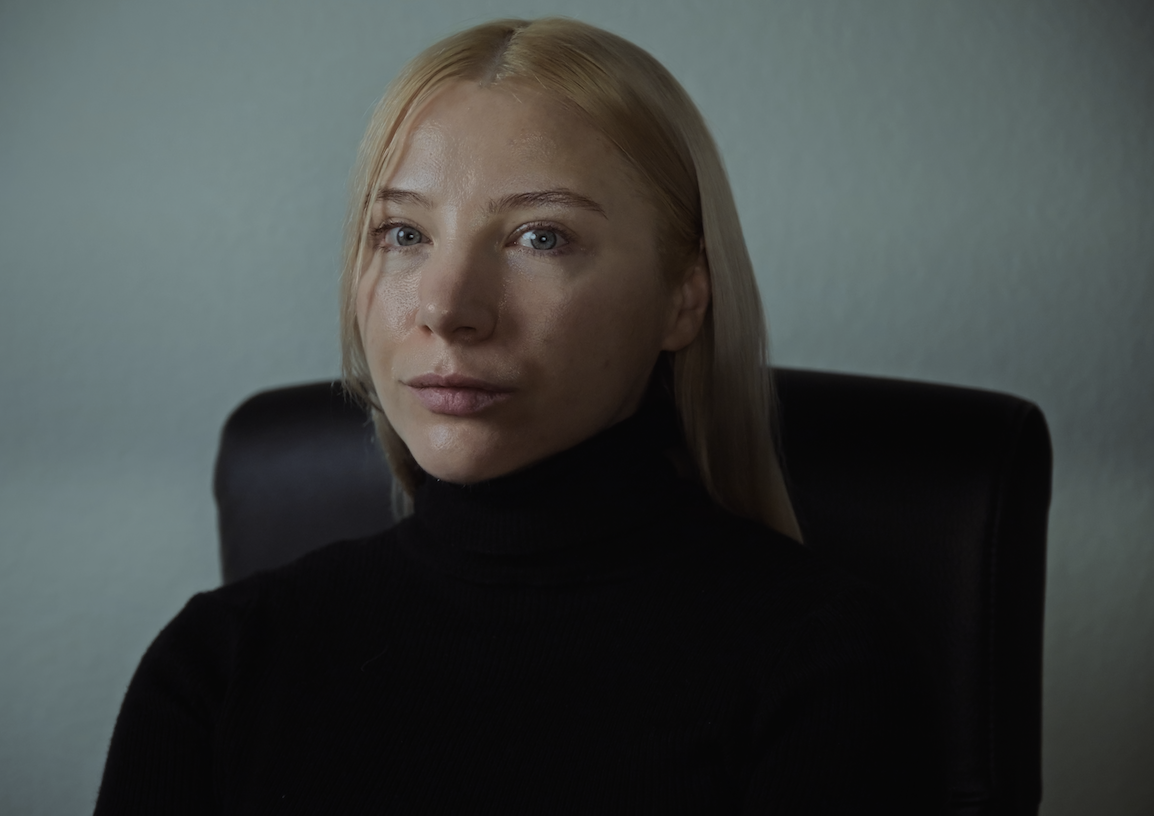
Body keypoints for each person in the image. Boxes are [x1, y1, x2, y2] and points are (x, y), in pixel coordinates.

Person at [94, 17, 941, 814]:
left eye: (541, 238)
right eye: (403, 234)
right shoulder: (217, 665)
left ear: (684, 297)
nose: (448, 308)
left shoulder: (822, 664)